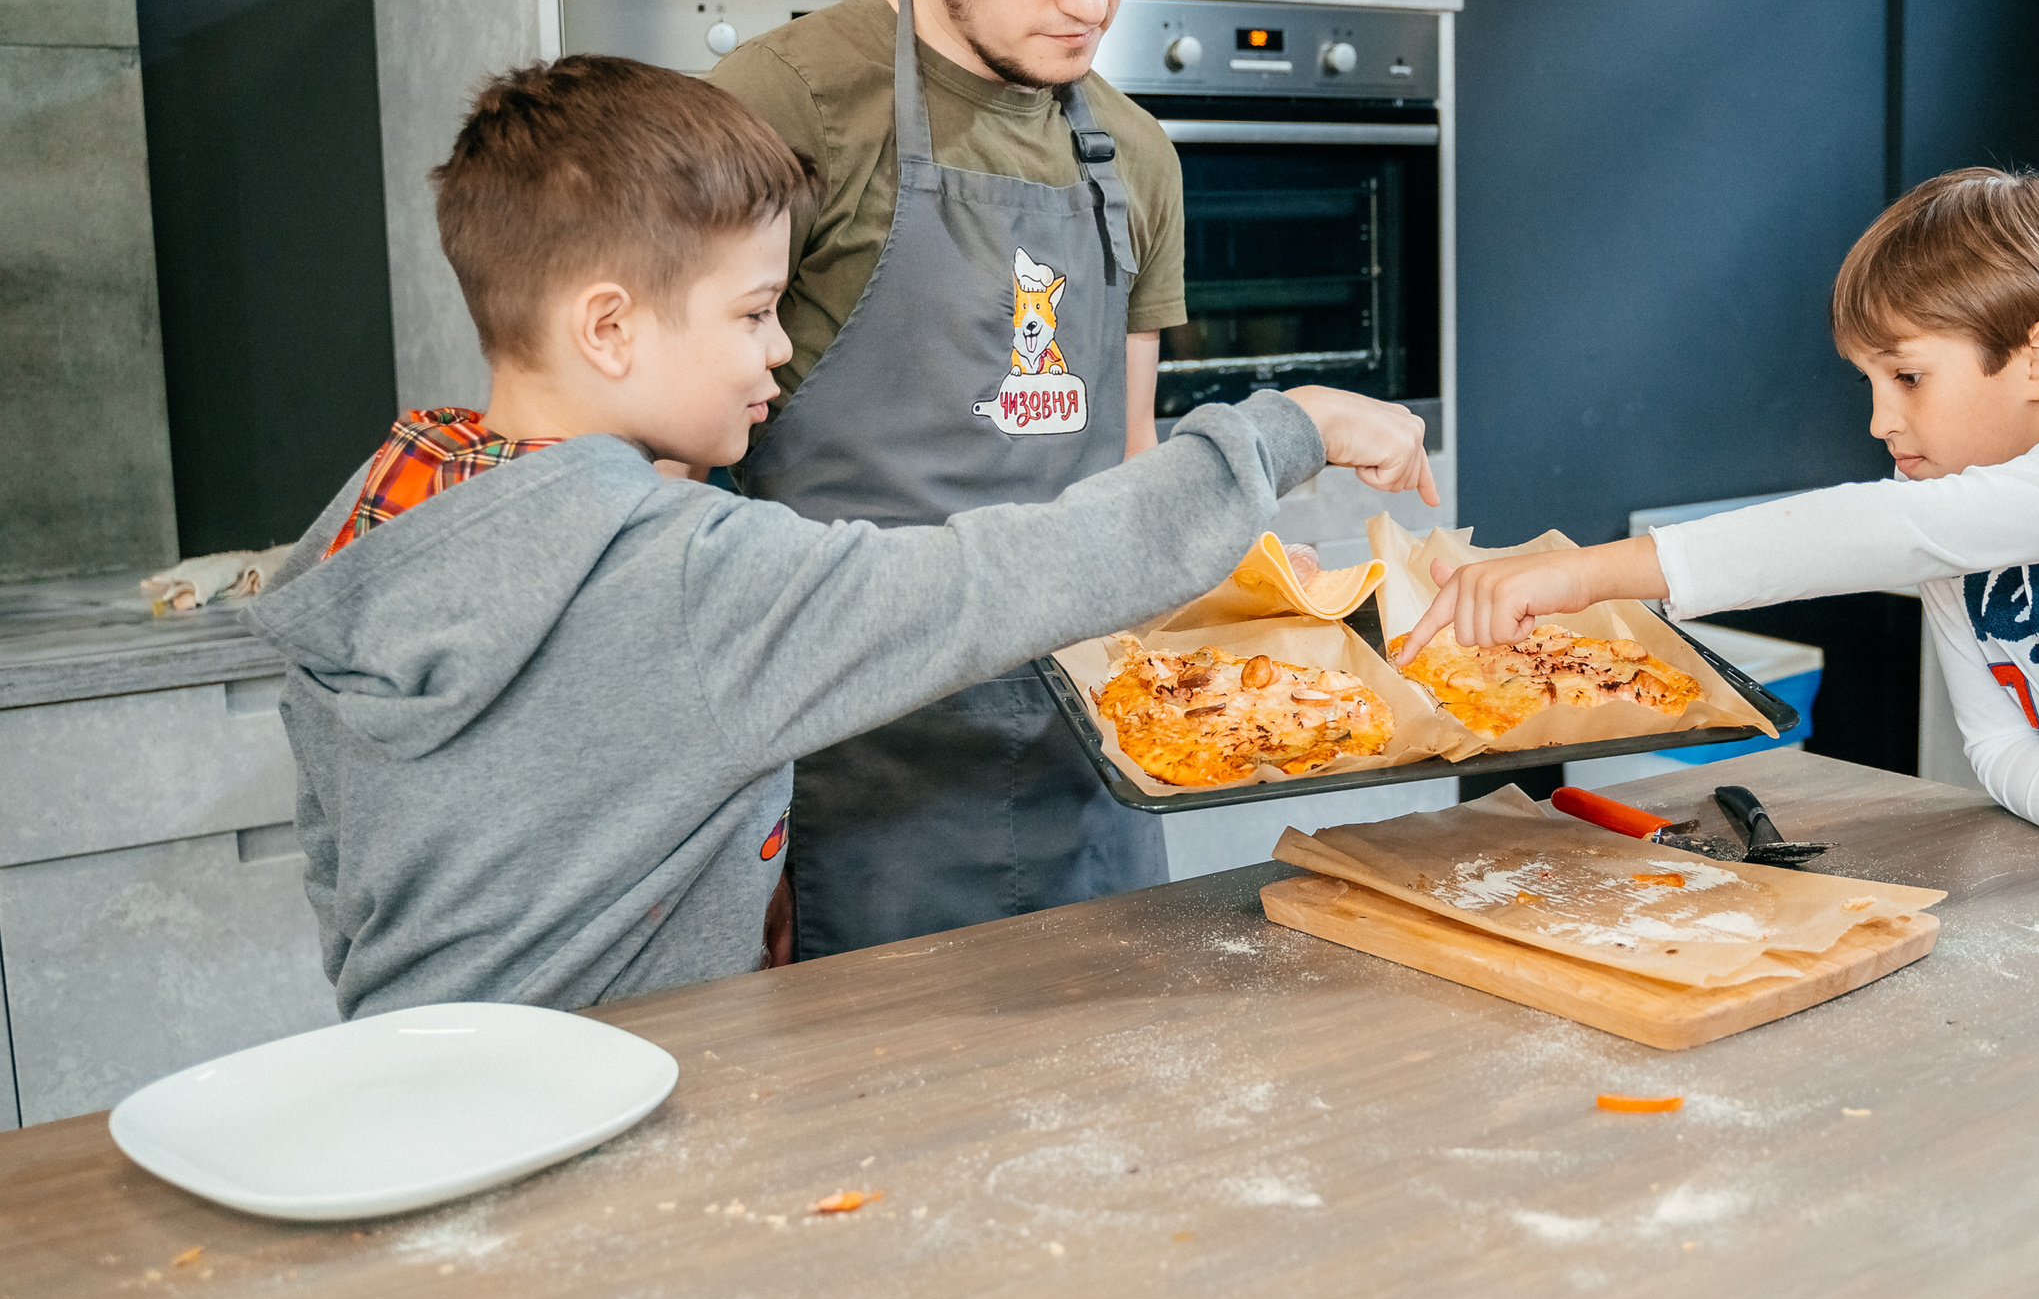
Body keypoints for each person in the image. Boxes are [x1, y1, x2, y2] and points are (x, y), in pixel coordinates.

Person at [244, 55, 1433, 1019]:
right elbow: (999, 579)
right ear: (607, 327)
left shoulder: (373, 521)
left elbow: (338, 874)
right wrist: (1287, 429)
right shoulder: (683, 581)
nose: (777, 350)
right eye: (754, 312)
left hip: (414, 1085)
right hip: (613, 1116)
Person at [1400, 167, 2039, 900]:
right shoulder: (1957, 547)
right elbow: (2001, 752)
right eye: (1869, 385)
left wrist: (1589, 574)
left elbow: (1894, 529)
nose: (1881, 421)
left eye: (1909, 378)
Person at [705, 0, 1192, 958]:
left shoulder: (1133, 155)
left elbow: (1125, 466)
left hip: (1092, 765)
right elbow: (661, 480)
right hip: (847, 792)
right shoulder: (784, 109)